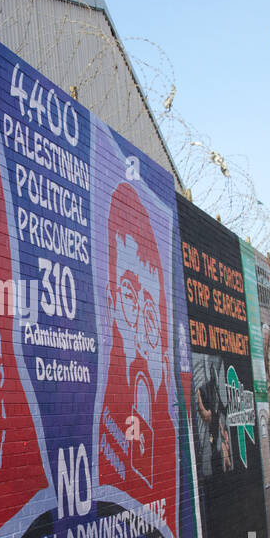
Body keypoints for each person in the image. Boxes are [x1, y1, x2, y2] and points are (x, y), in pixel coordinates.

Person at [98, 182, 176, 506]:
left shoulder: (169, 434)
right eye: (130, 296)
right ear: (112, 303)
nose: (144, 332)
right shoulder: (103, 427)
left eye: (151, 311)